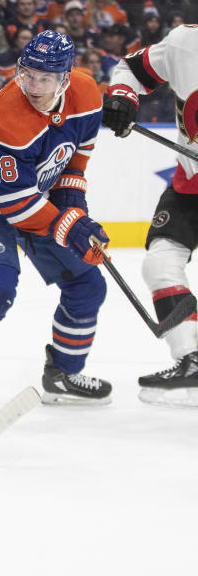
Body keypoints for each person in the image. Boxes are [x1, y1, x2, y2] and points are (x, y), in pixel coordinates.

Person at [0, 30, 113, 419]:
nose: (32, 85)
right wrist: (72, 228)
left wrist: (74, 211)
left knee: (88, 284)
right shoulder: (9, 114)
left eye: (44, 78)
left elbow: (74, 163)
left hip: (34, 199)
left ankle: (64, 373)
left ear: (66, 78)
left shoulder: (87, 94)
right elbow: (17, 206)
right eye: (26, 74)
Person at [101, 24, 198, 406]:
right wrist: (123, 97)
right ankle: (191, 360)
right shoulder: (185, 43)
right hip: (190, 184)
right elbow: (130, 70)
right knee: (159, 265)